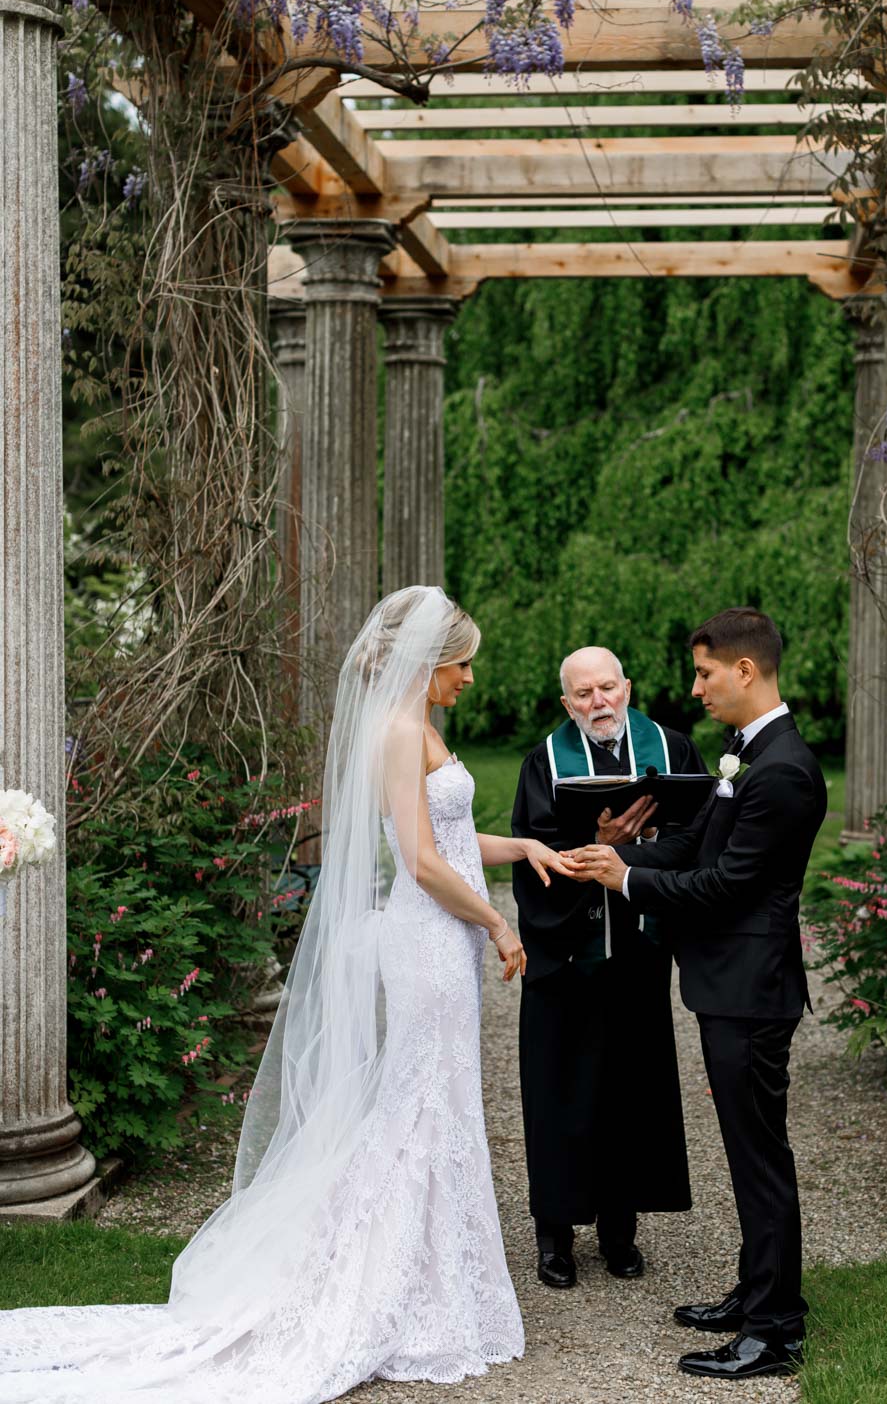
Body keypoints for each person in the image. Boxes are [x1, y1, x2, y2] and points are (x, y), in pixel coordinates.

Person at [0, 587, 574, 1404]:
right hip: (428, 938)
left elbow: (447, 838)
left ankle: (434, 1283)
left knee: (438, 1106)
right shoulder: (400, 733)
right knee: (416, 1110)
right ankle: (374, 1287)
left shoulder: (424, 731)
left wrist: (518, 846)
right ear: (431, 663)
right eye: (465, 664)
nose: (472, 679)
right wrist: (498, 923)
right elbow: (417, 861)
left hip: (444, 941)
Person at [566, 609, 827, 1381]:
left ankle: (774, 1332)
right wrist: (624, 849)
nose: (696, 687)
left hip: (752, 992)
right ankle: (757, 1294)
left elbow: (726, 885)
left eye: (706, 673)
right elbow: (702, 844)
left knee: (759, 1161)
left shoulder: (782, 771)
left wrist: (630, 882)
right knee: (752, 1155)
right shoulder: (747, 756)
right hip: (731, 988)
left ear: (746, 671)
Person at [510, 646, 704, 1290]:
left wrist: (640, 850)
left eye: (608, 688)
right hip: (568, 958)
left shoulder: (672, 750)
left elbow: (703, 841)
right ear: (567, 703)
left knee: (630, 1089)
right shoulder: (546, 762)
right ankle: (556, 1235)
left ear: (627, 686)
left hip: (640, 956)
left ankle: (621, 1230)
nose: (599, 702)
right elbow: (530, 861)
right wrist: (600, 848)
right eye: (584, 694)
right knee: (560, 1091)